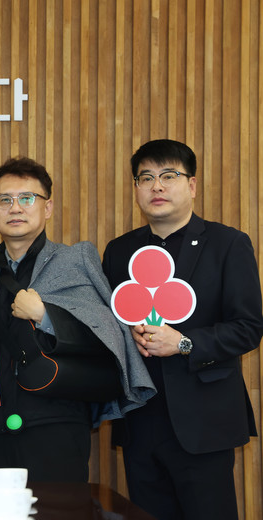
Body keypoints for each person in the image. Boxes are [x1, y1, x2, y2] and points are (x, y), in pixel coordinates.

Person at [0, 157, 154, 482]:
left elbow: (109, 332)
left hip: (58, 426)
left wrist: (46, 316)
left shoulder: (74, 259)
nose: (15, 208)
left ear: (47, 207)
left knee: (61, 507)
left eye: (27, 198)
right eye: (4, 200)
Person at [102, 139, 263, 519]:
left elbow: (248, 327)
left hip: (204, 422)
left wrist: (184, 342)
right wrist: (128, 335)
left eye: (169, 175)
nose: (156, 186)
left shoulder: (227, 243)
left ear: (191, 185)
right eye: (146, 178)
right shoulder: (119, 251)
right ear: (136, 188)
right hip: (141, 418)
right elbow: (108, 325)